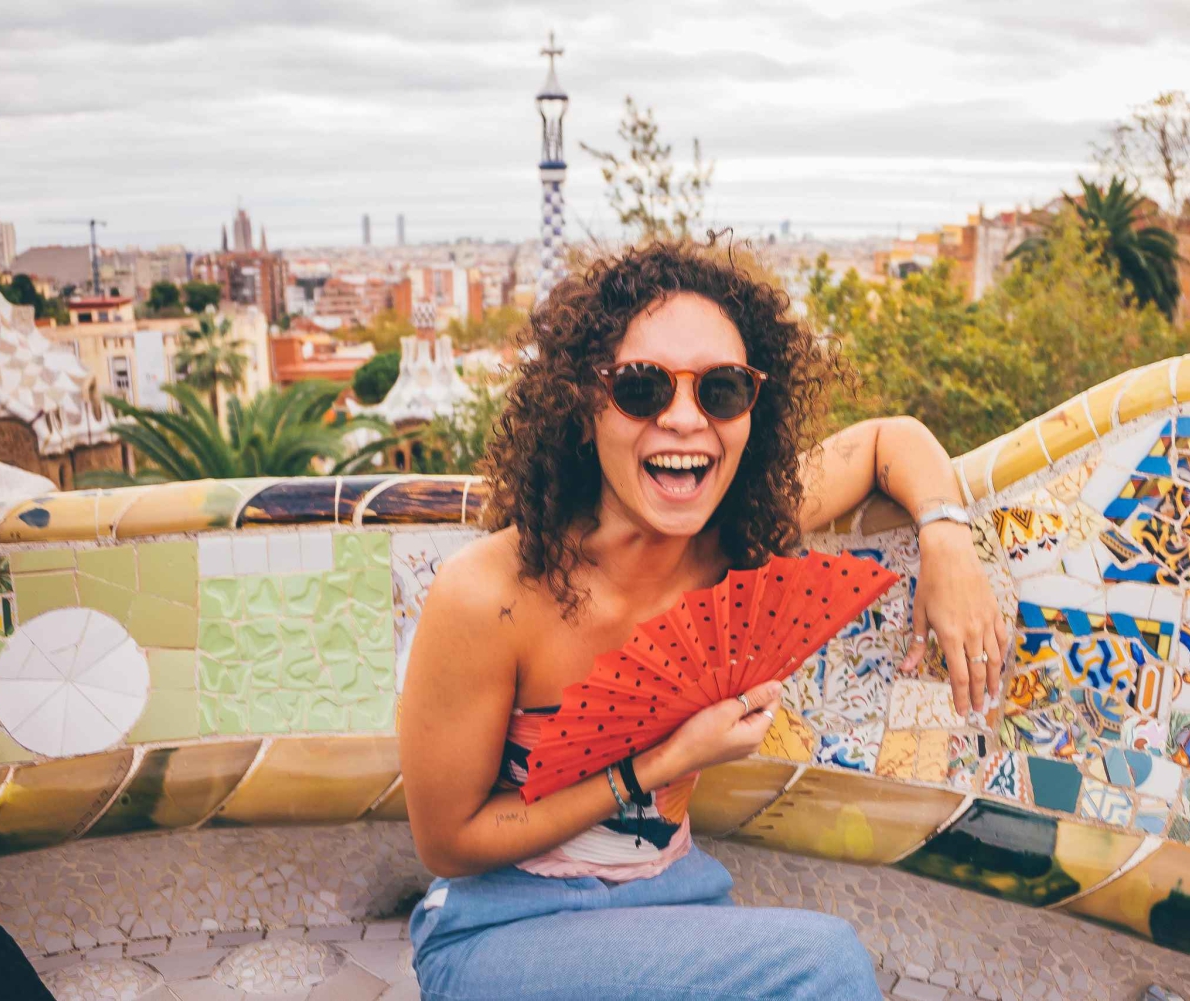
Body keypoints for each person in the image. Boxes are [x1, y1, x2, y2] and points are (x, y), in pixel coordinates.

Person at [400, 237, 1007, 1001]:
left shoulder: (735, 541)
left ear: (753, 412)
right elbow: (447, 842)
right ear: (584, 408)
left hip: (673, 897)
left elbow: (890, 438)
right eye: (642, 388)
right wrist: (658, 764)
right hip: (503, 929)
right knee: (821, 963)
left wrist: (948, 538)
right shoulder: (491, 594)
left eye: (720, 389)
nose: (686, 419)